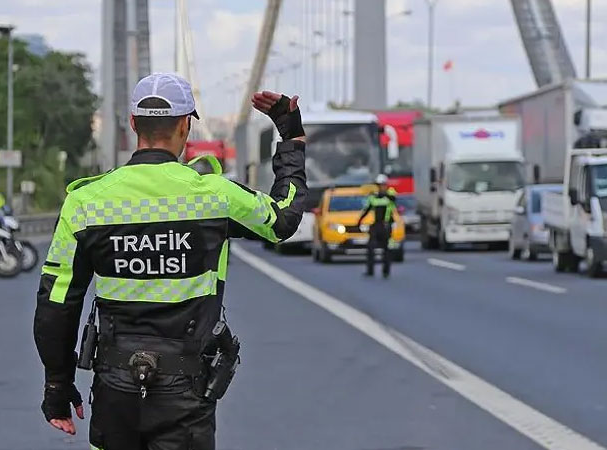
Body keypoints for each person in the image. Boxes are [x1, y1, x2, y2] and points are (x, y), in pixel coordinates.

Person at [33, 73, 307, 450]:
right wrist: (290, 137)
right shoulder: (214, 195)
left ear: (133, 125)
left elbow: (56, 303)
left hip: (115, 387)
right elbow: (284, 218)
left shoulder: (86, 203)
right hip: (186, 390)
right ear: (185, 125)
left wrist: (57, 386)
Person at [357, 174, 397, 278]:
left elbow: (393, 199)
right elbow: (367, 209)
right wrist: (360, 221)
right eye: (379, 185)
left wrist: (385, 194)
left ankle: (386, 271)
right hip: (376, 225)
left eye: (383, 185)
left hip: (387, 225)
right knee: (370, 248)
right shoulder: (373, 197)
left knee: (387, 250)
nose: (381, 187)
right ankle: (370, 270)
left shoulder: (390, 195)